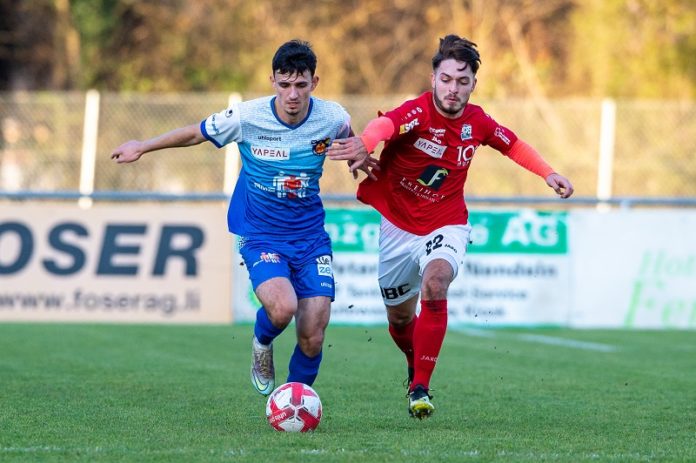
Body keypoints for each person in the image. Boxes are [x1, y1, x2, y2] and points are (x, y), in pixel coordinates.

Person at [327, 34, 574, 419]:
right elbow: (385, 125)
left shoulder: (478, 122)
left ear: (473, 84)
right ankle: (414, 364)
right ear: (433, 79)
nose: (453, 88)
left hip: (447, 222)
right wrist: (366, 142)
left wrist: (548, 172)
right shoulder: (418, 112)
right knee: (400, 320)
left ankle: (420, 388)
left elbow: (512, 144)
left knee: (436, 282)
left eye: (462, 81)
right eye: (446, 79)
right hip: (397, 228)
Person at [111, 39, 371, 396]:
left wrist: (359, 154)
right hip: (260, 231)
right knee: (283, 309)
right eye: (284, 84)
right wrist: (143, 146)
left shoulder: (333, 117)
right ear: (272, 80)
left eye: (301, 84)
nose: (292, 94)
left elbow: (349, 139)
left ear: (315, 82)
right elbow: (195, 133)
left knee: (313, 334)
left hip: (310, 235)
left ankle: (292, 403)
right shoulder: (247, 117)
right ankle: (262, 342)